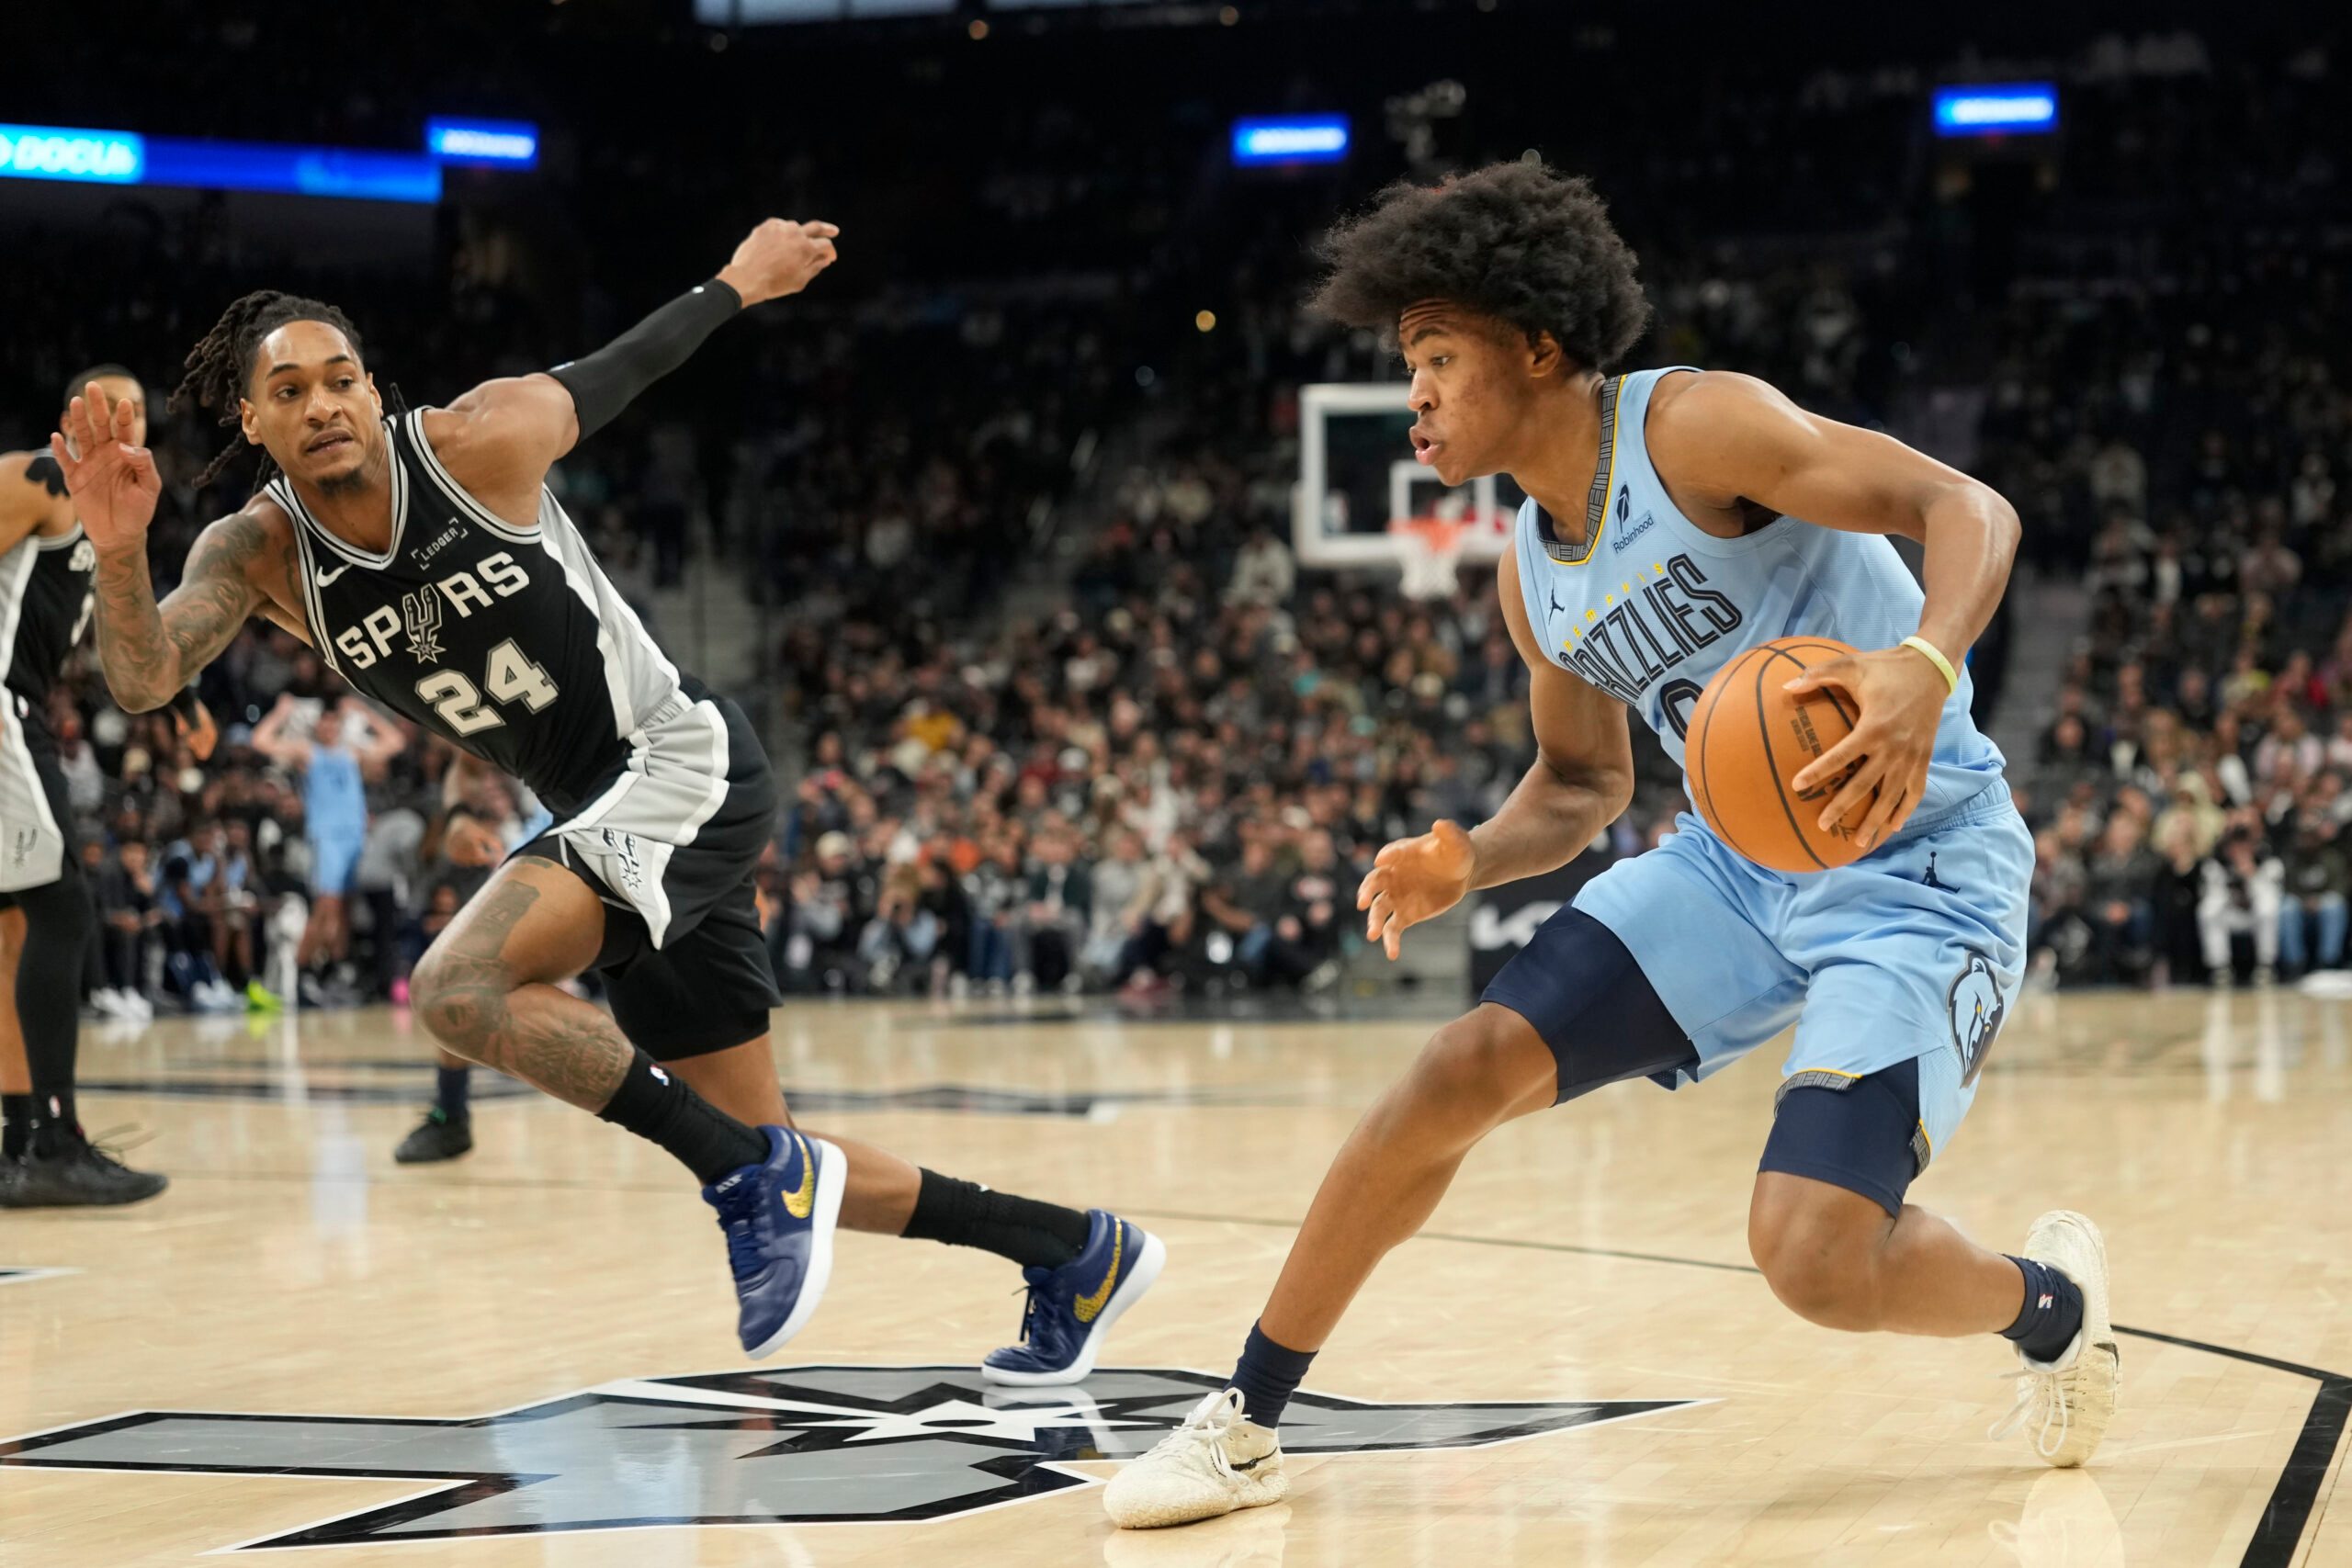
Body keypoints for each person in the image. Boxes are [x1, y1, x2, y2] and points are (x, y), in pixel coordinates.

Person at [1107, 163, 2112, 1530]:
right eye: (1409, 367)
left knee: (1812, 1255)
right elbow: (1583, 782)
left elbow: (1968, 507)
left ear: (1536, 345)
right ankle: (1245, 1421)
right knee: (1456, 1068)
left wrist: (1924, 666)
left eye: (1438, 358)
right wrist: (1469, 858)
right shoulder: (1531, 570)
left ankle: (2051, 1309)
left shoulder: (1696, 429)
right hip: (1736, 869)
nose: (1415, 395)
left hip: (1917, 865)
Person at [52, 216, 1159, 1380]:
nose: (322, 404)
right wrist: (119, 551)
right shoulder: (257, 552)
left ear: (374, 391)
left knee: (458, 991)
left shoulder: (477, 440)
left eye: (341, 380)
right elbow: (145, 679)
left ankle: (747, 1183)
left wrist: (737, 282)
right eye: (290, 391)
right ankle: (1071, 1251)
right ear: (252, 420)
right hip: (594, 814)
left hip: (677, 764)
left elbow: (622, 368)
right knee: (765, 1139)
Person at [0, 367, 168, 1206]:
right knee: (63, 911)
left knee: (13, 934)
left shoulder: (112, 518)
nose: (118, 421)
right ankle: (56, 1139)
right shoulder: (38, 476)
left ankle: (20, 1141)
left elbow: (124, 628)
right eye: (103, 407)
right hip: (3, 710)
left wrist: (187, 705)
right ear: (71, 418)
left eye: (132, 412)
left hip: (27, 710)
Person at [251, 692, 407, 1007]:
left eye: (333, 722)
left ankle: (334, 973)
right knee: (326, 908)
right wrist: (281, 712)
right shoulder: (308, 753)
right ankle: (301, 974)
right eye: (323, 723)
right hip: (326, 838)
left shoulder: (351, 753)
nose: (328, 727)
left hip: (353, 838)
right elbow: (260, 742)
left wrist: (364, 709)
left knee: (344, 911)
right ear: (317, 726)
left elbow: (396, 742)